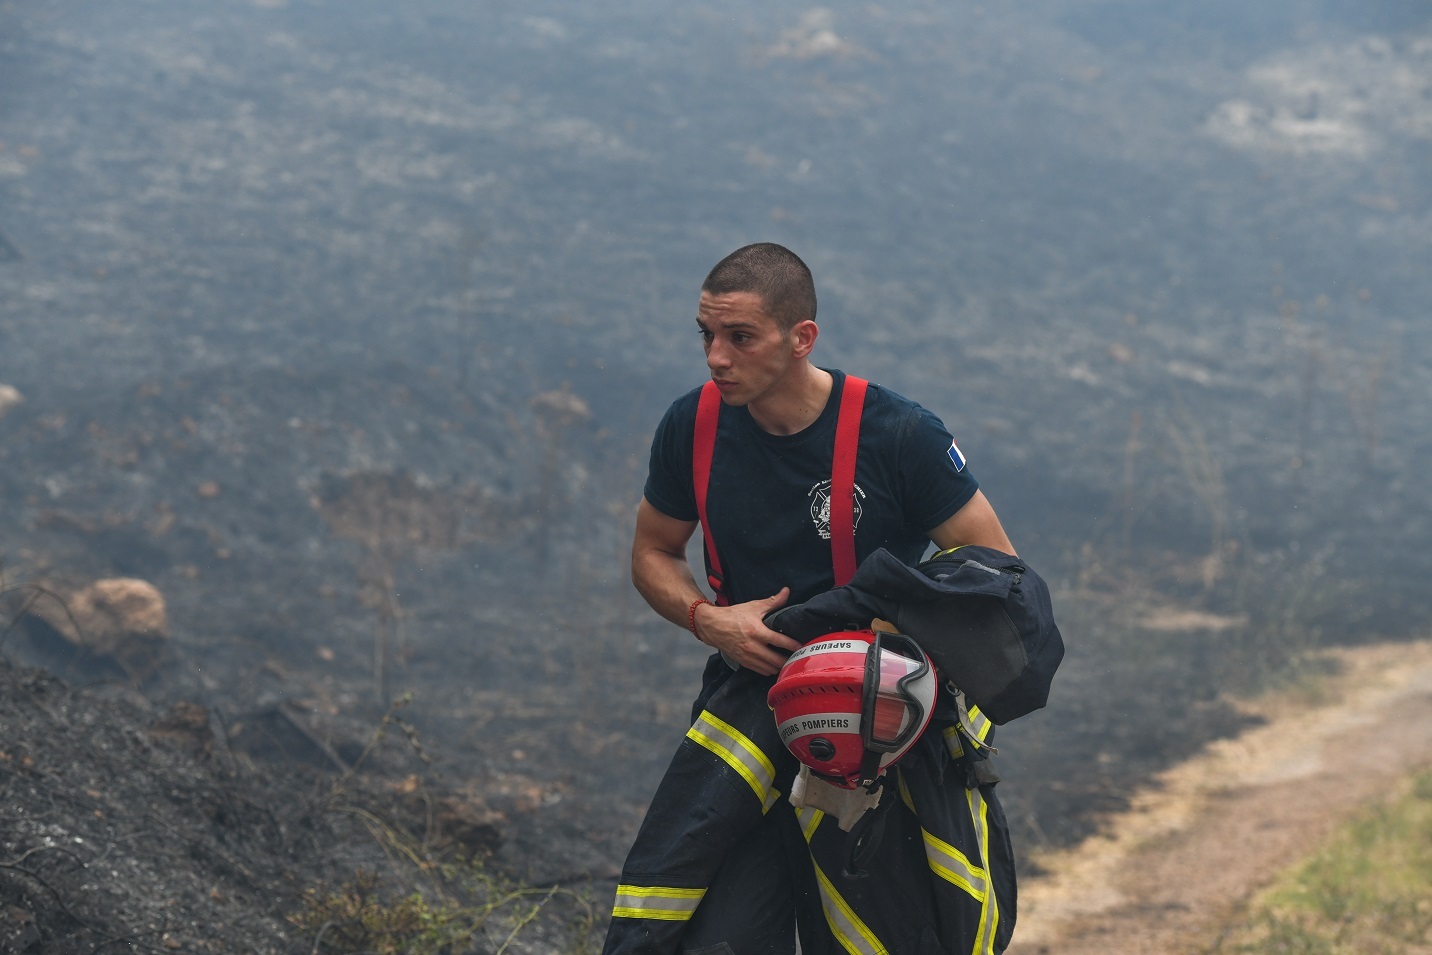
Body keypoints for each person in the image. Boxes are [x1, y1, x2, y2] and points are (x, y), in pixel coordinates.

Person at [604, 243, 1021, 955]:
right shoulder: (692, 426)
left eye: (740, 337)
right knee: (711, 935)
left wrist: (892, 641)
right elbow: (652, 551)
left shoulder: (899, 435)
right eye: (706, 335)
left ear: (802, 339)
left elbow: (995, 568)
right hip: (748, 718)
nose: (715, 357)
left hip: (887, 741)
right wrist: (708, 619)